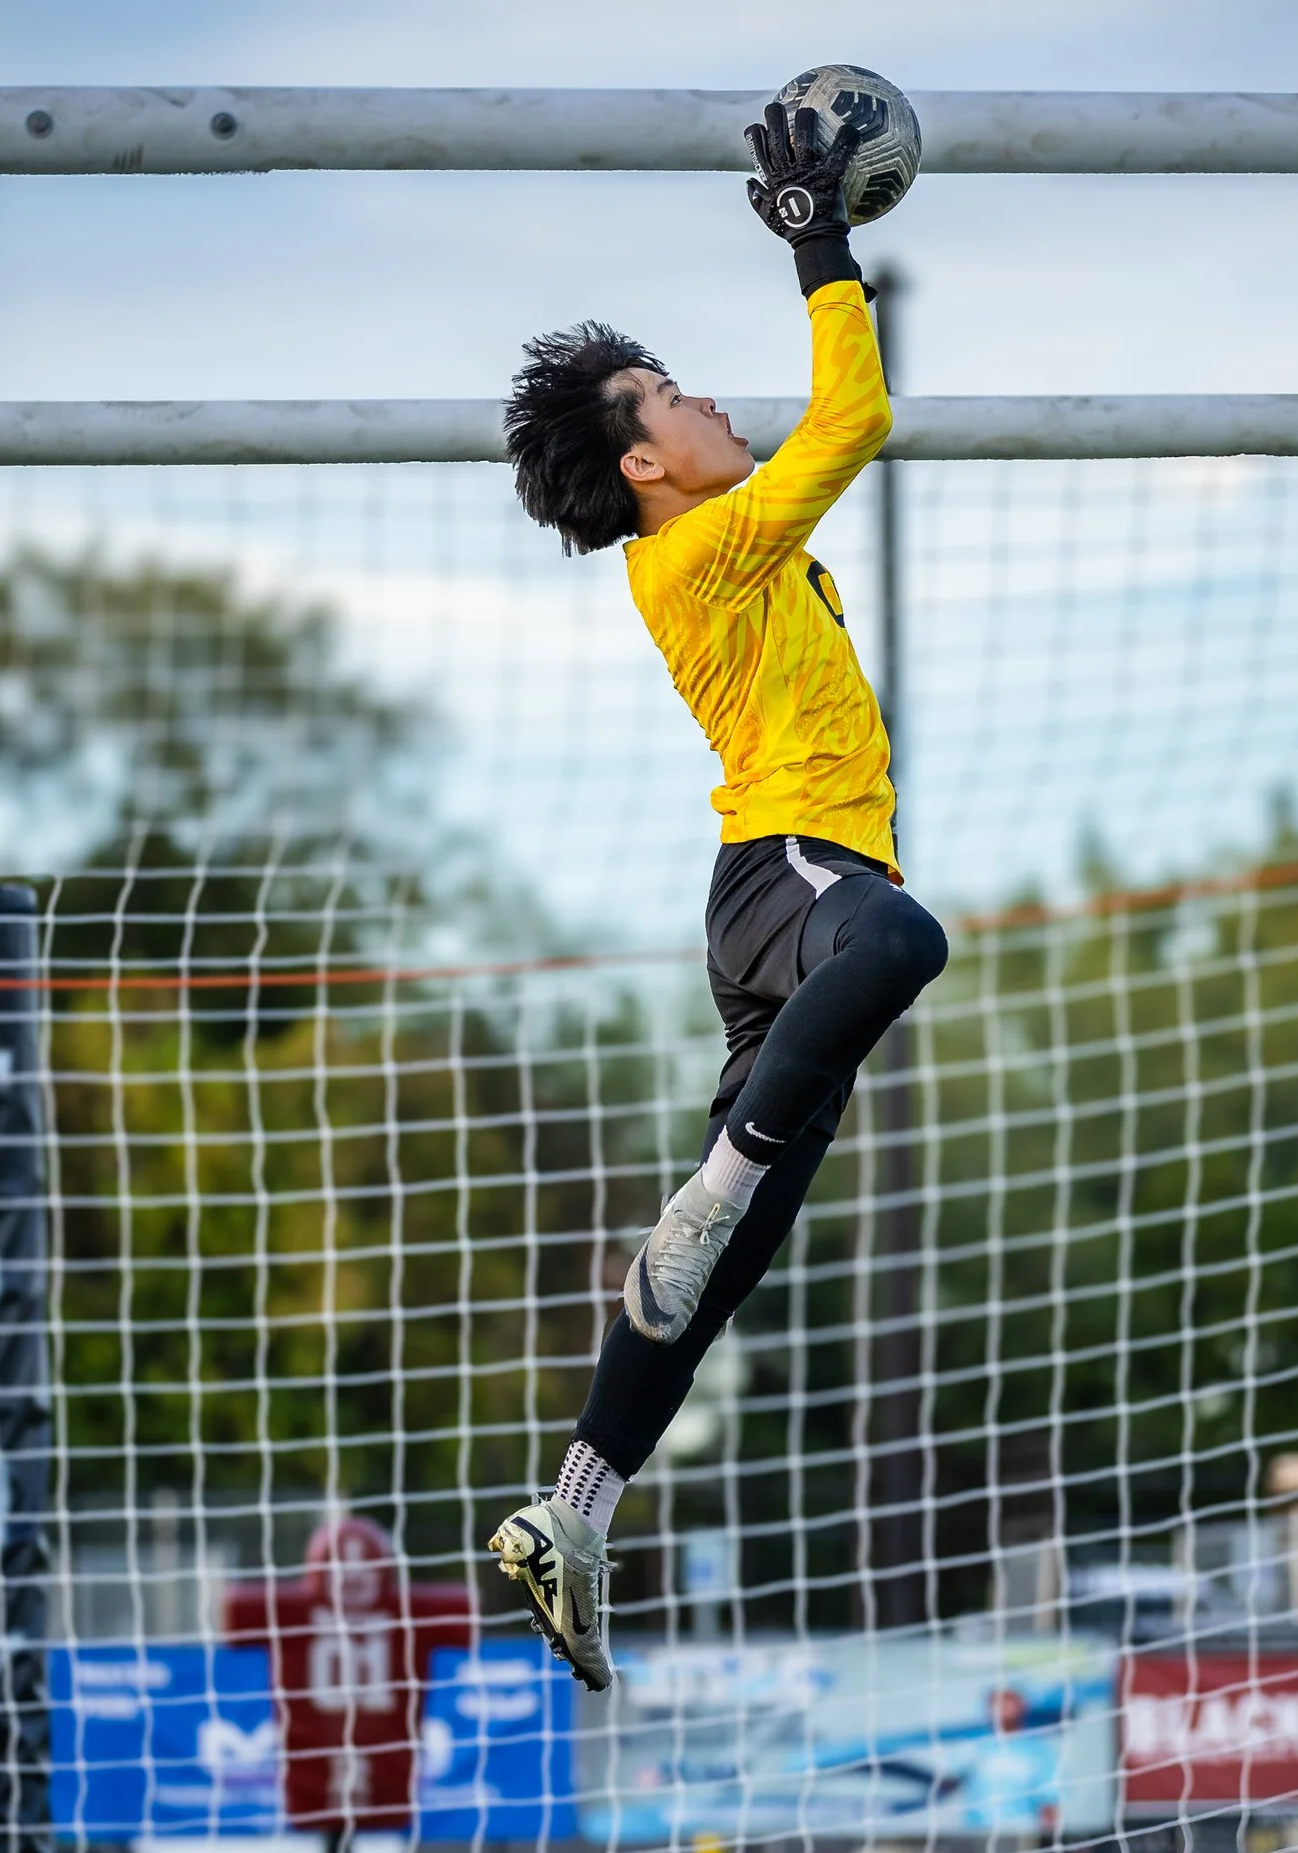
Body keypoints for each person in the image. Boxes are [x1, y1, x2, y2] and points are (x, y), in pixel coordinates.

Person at [488, 102, 949, 1690]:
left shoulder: (716, 556)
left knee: (725, 1260)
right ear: (640, 464)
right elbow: (855, 419)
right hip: (798, 891)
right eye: (672, 394)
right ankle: (720, 1175)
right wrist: (820, 235)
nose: (705, 400)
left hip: (776, 924)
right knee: (905, 937)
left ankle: (572, 1508)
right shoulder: (693, 557)